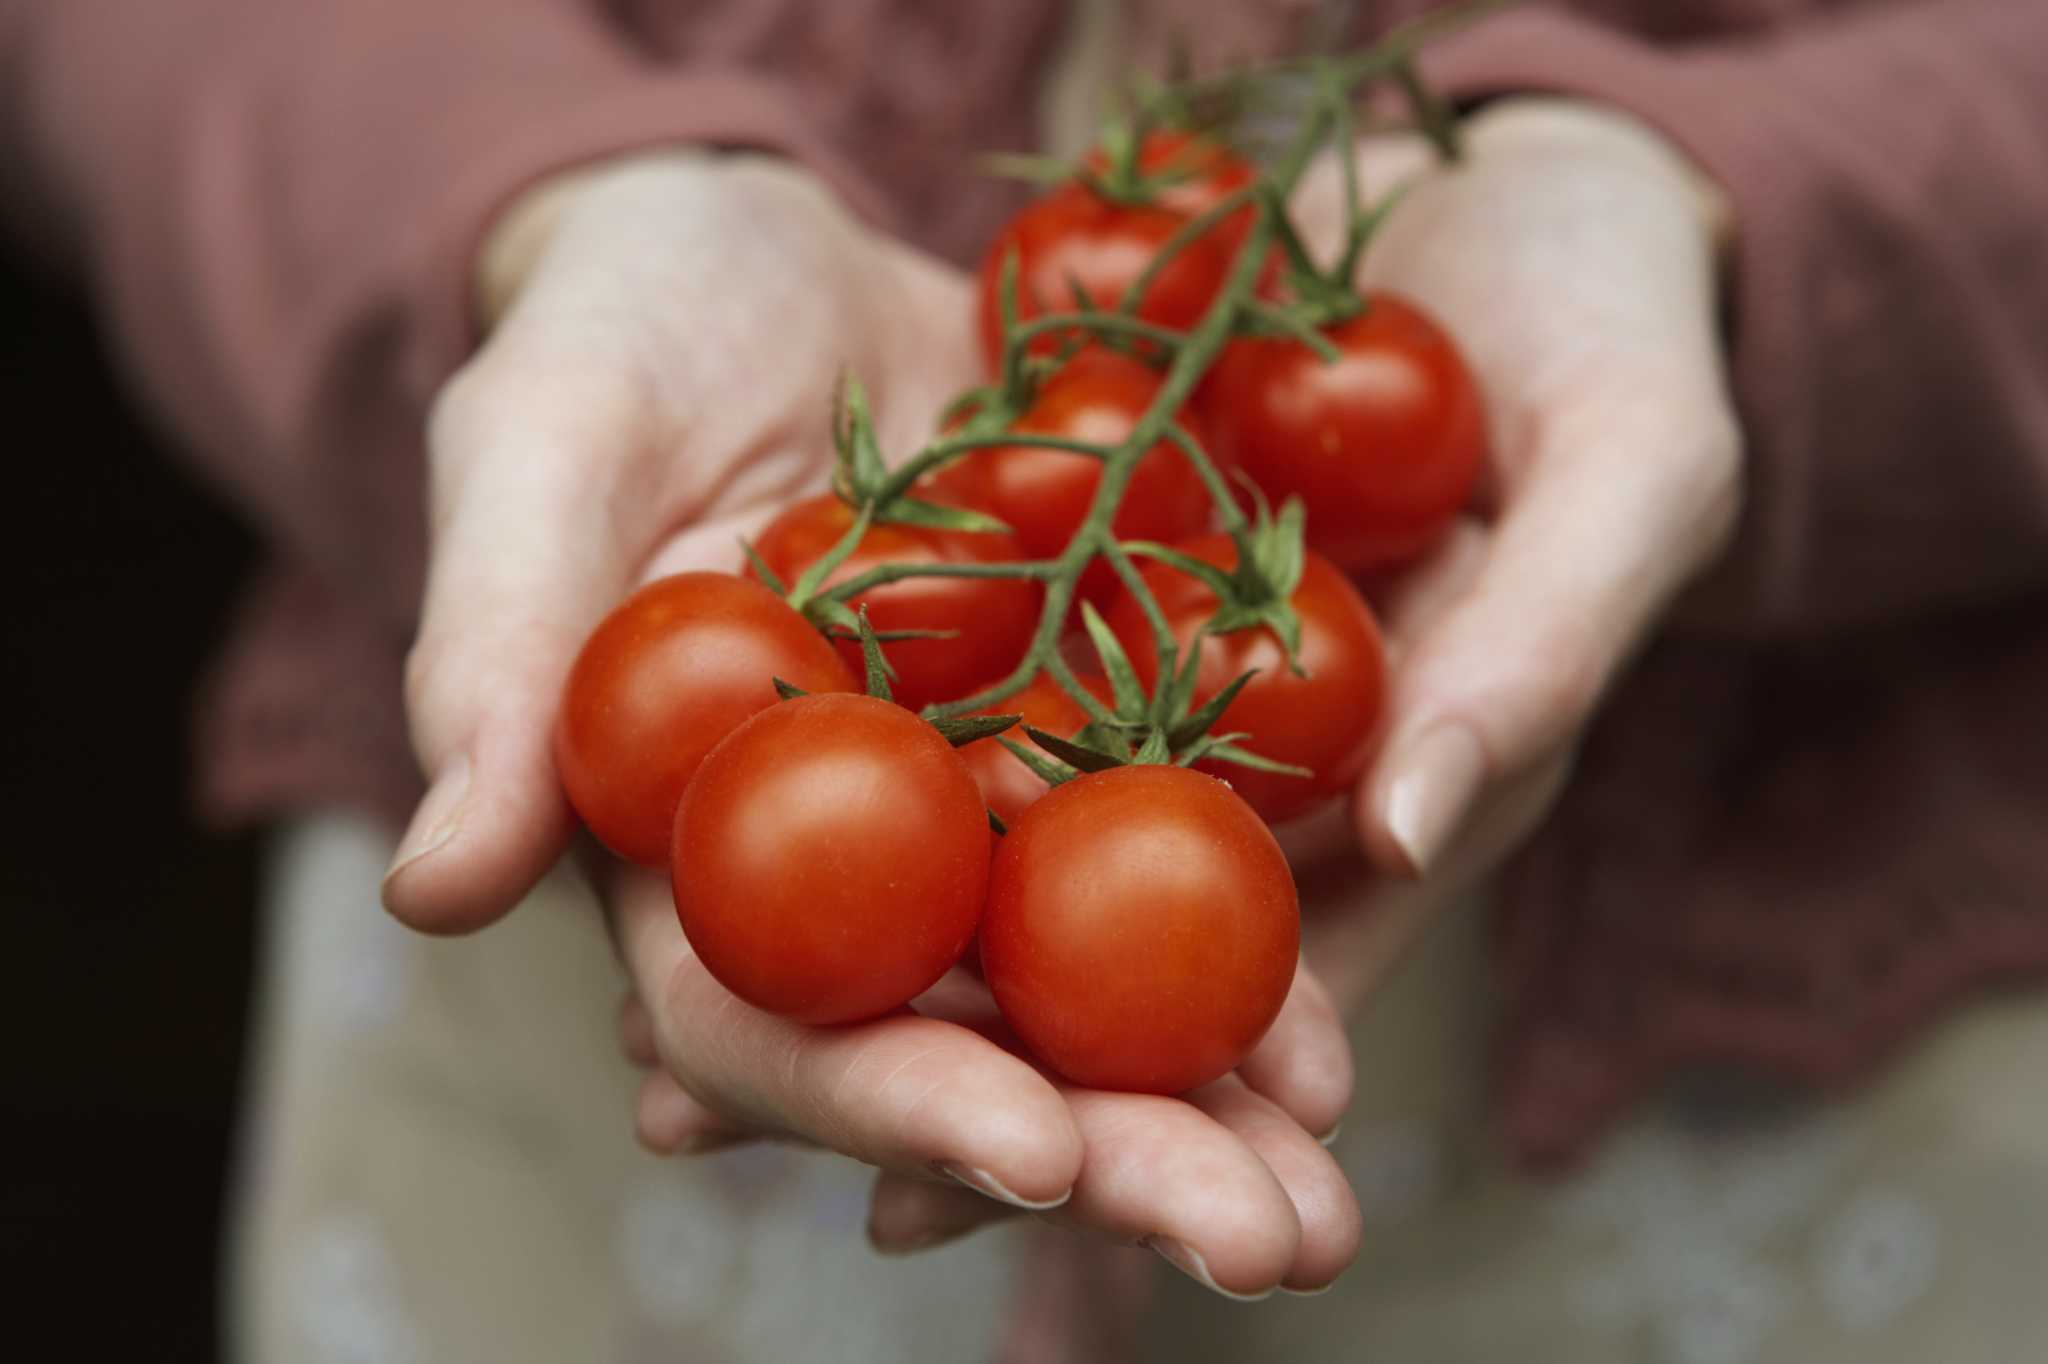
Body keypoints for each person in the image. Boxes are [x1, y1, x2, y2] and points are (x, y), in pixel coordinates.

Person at [4, 0, 2045, 1359]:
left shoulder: (1043, 588)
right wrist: (533, 205)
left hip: (1783, 1121)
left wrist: (1730, 206)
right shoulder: (1046, 581)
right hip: (538, 1141)